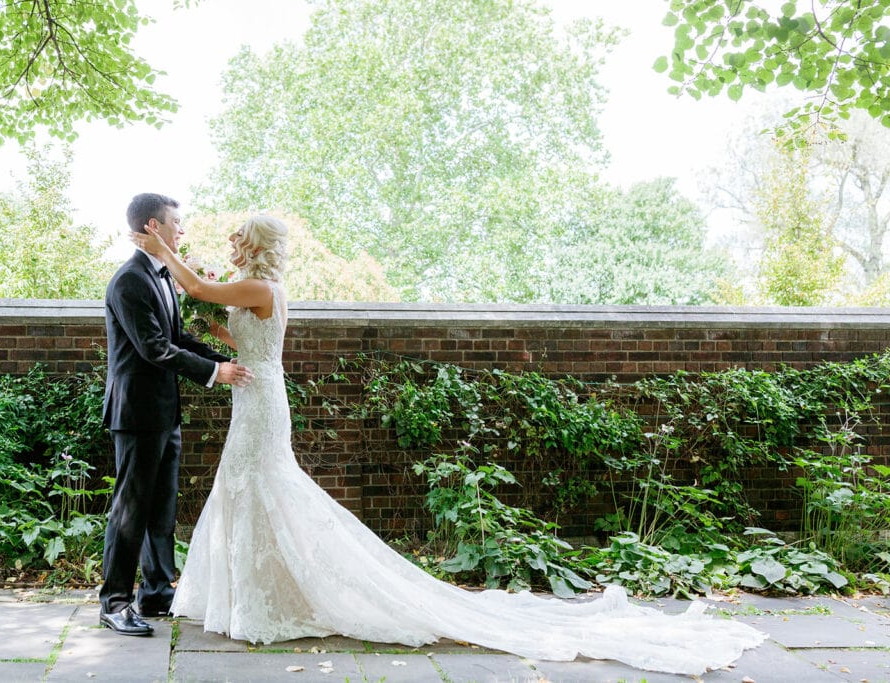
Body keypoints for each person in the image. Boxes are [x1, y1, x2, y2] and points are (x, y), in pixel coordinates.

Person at [131, 214, 767, 675]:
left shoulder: (261, 289)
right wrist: (205, 323)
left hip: (262, 401)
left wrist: (163, 247)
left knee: (266, 486)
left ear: (258, 247)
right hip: (254, 391)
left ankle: (278, 598)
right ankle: (259, 594)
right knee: (247, 488)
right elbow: (226, 323)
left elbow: (200, 292)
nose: (231, 242)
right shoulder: (255, 293)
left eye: (240, 237)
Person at [99, 193, 254, 637]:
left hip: (166, 413)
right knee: (131, 510)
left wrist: (224, 359)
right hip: (137, 414)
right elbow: (154, 349)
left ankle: (155, 592)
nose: (181, 231)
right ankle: (114, 602)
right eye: (175, 223)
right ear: (153, 227)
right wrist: (212, 373)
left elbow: (178, 336)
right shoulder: (129, 280)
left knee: (162, 509)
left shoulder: (162, 276)